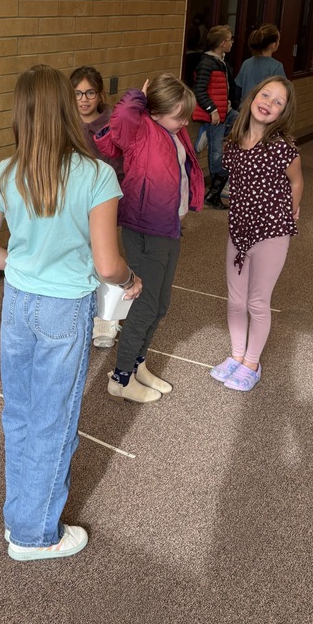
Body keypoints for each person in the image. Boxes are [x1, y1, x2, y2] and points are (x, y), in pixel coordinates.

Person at [0, 65, 141, 562]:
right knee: (54, 420)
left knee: (20, 414)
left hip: (18, 304)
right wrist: (130, 281)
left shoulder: (6, 171)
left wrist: (24, 263)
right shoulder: (96, 175)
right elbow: (108, 264)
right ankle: (34, 534)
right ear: (69, 108)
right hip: (65, 309)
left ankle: (19, 516)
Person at [94, 74, 204, 402]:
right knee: (144, 306)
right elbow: (123, 116)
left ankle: (137, 363)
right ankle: (121, 377)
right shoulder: (141, 128)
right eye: (179, 114)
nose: (186, 121)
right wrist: (138, 96)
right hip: (145, 229)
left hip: (167, 227)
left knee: (160, 304)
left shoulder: (172, 131)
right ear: (154, 112)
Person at [209, 76, 303, 392]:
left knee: (257, 302)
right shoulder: (233, 144)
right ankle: (236, 355)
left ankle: (252, 362)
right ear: (253, 97)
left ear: (283, 113)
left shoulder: (283, 149)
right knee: (236, 298)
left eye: (279, 102)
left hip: (272, 232)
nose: (269, 104)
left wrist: (294, 209)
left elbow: (296, 182)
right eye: (266, 95)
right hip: (239, 229)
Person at [69, 65, 124, 349]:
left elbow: (120, 162)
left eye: (89, 92)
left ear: (99, 93)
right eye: (78, 93)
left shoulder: (111, 122)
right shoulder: (65, 123)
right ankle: (84, 315)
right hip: (73, 204)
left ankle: (108, 320)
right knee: (80, 259)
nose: (84, 99)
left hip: (104, 201)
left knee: (107, 260)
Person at [192, 25, 239, 208]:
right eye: (230, 39)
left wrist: (227, 103)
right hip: (214, 115)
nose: (232, 42)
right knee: (216, 152)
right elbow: (200, 91)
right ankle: (214, 193)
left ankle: (206, 132)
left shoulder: (222, 61)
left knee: (242, 122)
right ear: (222, 43)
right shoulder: (206, 63)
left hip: (224, 112)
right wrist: (212, 110)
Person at [235, 24, 285, 103]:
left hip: (245, 109)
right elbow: (282, 94)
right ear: (273, 45)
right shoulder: (277, 66)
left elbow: (237, 91)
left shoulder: (246, 63)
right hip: (264, 110)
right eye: (278, 40)